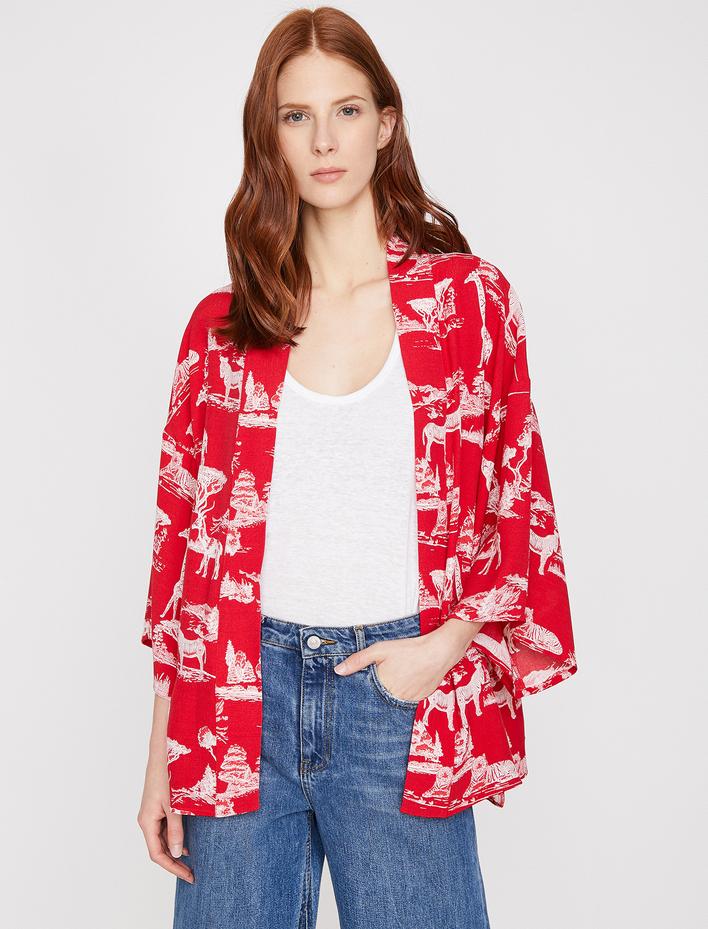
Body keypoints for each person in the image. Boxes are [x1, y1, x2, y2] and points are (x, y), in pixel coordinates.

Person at [137, 7, 577, 928]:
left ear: (385, 122)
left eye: (346, 110)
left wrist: (444, 645)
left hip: (396, 696)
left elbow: (517, 504)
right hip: (238, 698)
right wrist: (162, 758)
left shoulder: (466, 304)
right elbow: (186, 563)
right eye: (296, 116)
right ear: (269, 136)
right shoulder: (223, 330)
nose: (324, 140)